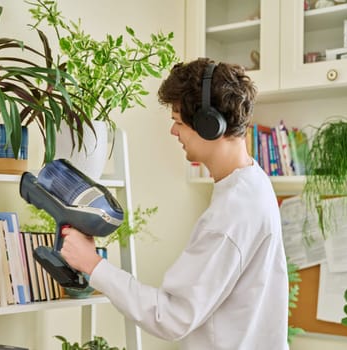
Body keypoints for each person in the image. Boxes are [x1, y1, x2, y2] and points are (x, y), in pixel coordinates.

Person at [60, 57, 289, 350]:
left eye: (178, 122)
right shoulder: (253, 184)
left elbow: (172, 317)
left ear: (209, 125)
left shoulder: (234, 211)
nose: (173, 132)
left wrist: (93, 265)